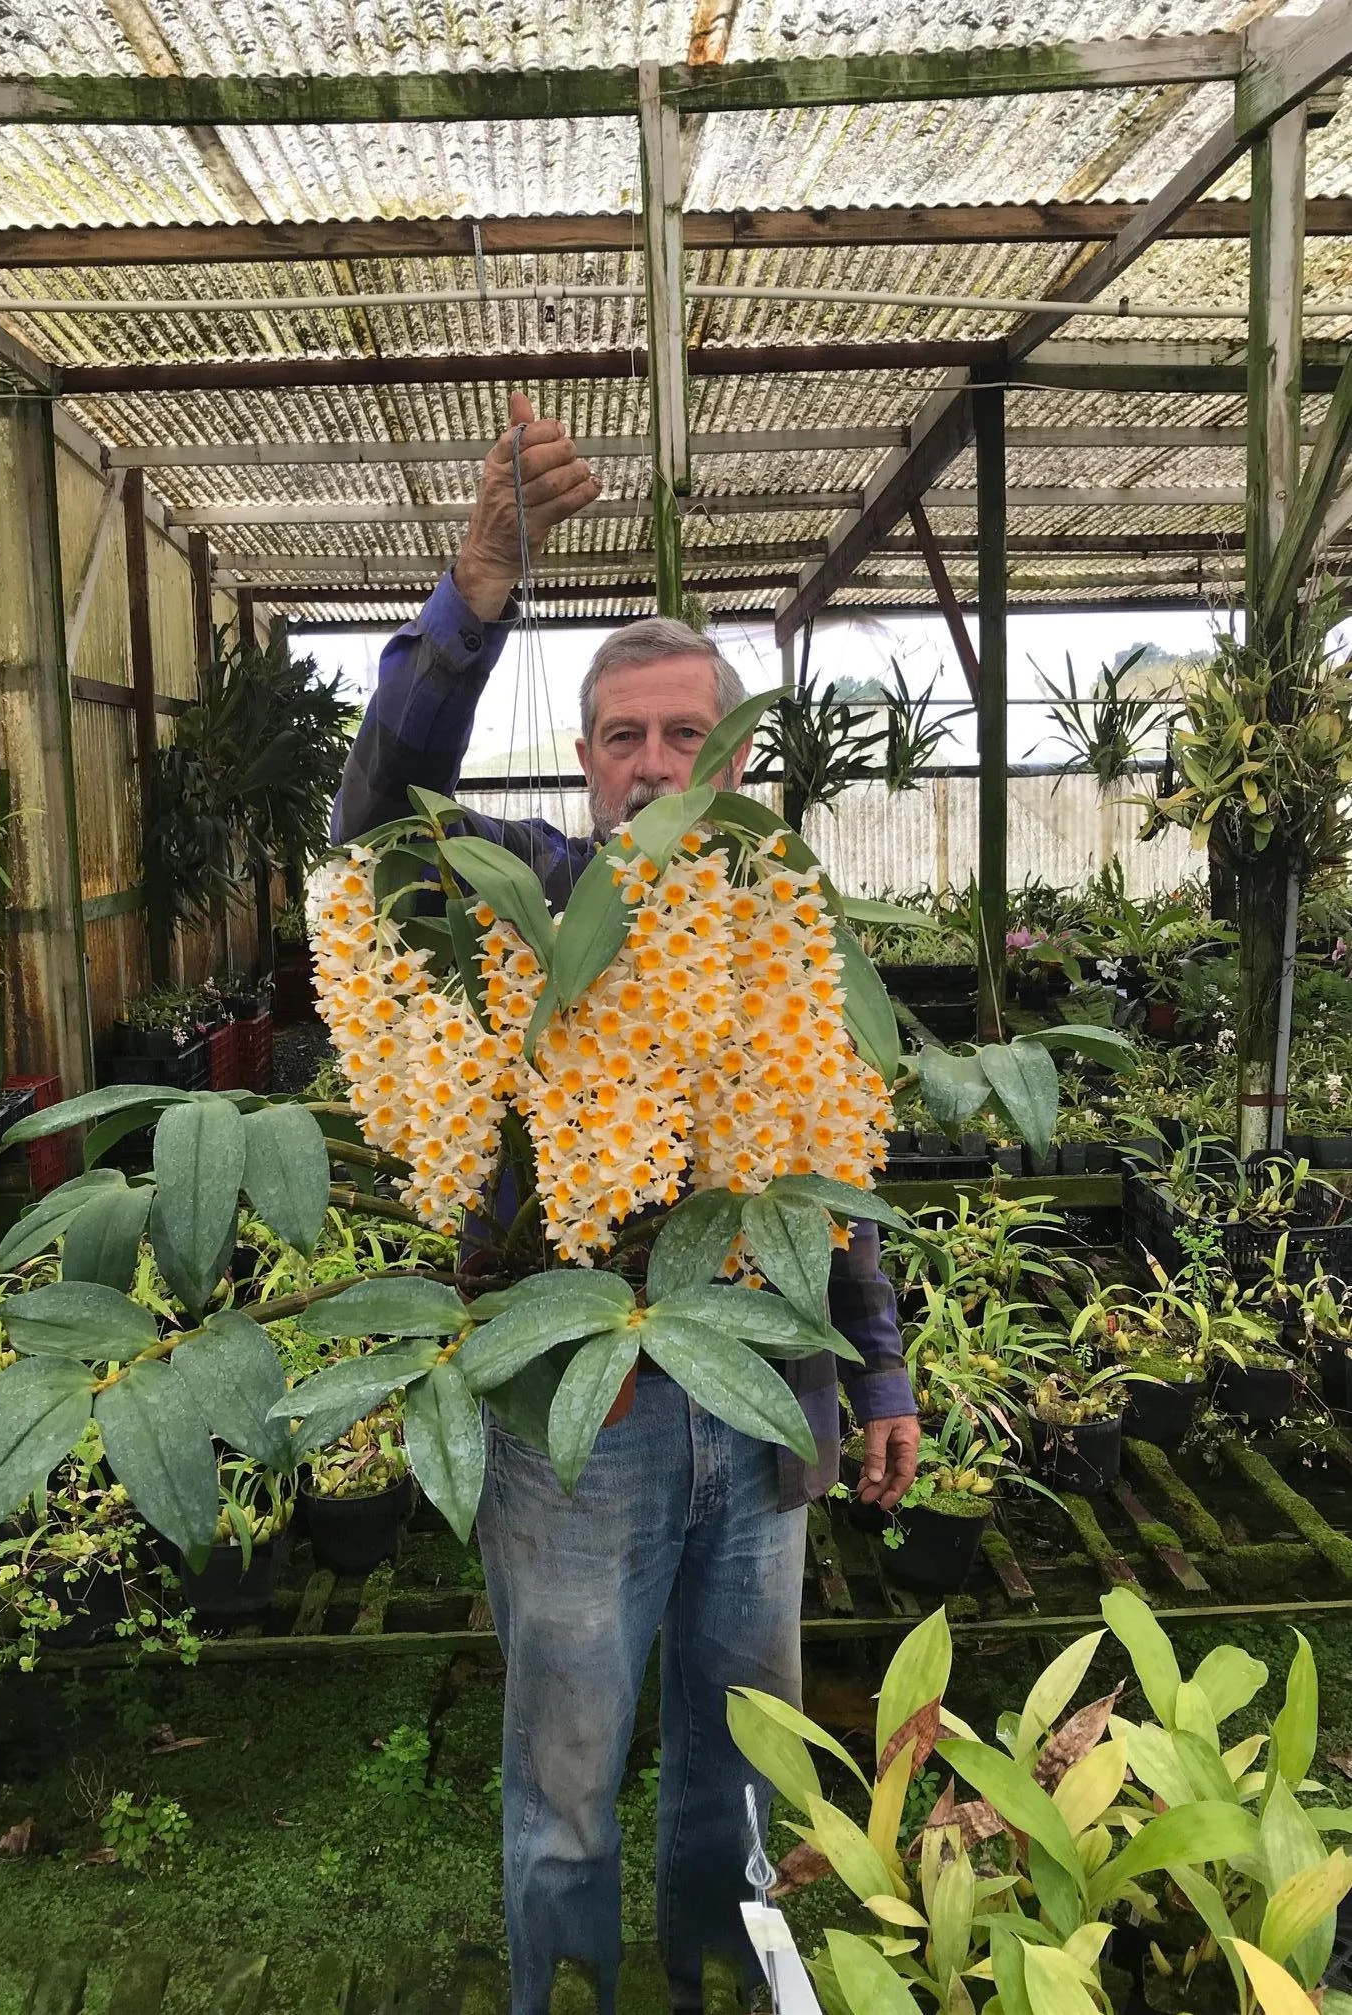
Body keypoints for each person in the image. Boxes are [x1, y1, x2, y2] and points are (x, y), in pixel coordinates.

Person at [331, 393, 918, 2015]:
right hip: (571, 1419)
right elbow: (373, 827)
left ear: (733, 758)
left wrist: (872, 1360)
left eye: (686, 738)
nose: (654, 763)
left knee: (746, 1766)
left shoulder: (777, 914)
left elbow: (829, 1162)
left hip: (762, 1399)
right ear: (584, 761)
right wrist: (471, 608)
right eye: (622, 738)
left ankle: (726, 1988)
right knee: (566, 1776)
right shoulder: (522, 898)